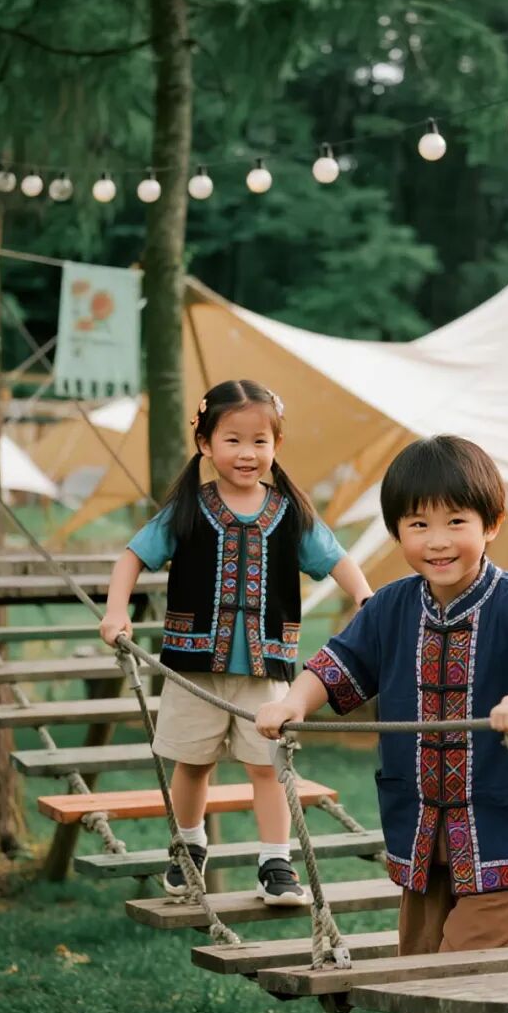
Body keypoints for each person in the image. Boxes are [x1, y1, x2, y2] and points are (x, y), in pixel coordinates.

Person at [256, 435, 508, 1013]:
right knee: (419, 989)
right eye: (419, 524)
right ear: (397, 531)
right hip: (422, 839)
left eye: (456, 522)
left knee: (473, 987)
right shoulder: (389, 606)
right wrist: (292, 703)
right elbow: (335, 668)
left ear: (491, 525)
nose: (437, 540)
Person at [100, 379, 372, 904]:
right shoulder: (186, 509)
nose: (247, 453)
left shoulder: (290, 514)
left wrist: (365, 598)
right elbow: (132, 556)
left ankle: (276, 862)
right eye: (233, 440)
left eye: (259, 442)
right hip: (193, 665)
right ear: (205, 443)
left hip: (265, 671)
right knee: (192, 762)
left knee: (267, 766)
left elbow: (337, 558)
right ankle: (188, 848)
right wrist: (116, 612)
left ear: (276, 446)